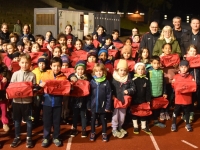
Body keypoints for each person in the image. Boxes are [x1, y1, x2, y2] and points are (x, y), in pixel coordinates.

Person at [10, 53, 36, 148]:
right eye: (22, 62)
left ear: (30, 64)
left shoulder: (33, 75)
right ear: (19, 63)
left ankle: (29, 137)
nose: (24, 64)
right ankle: (17, 137)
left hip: (28, 102)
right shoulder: (15, 74)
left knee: (29, 120)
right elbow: (11, 87)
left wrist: (36, 89)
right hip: (16, 102)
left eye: (26, 63)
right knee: (16, 121)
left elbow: (33, 89)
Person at [39, 57, 66, 147]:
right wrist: (41, 84)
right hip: (47, 102)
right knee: (47, 121)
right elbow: (40, 84)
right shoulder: (46, 75)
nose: (56, 68)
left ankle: (56, 137)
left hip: (58, 103)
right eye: (54, 66)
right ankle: (46, 137)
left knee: (56, 121)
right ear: (50, 66)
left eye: (58, 66)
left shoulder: (63, 77)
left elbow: (65, 89)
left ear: (61, 67)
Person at [111, 59, 136, 138]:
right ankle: (114, 128)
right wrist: (112, 95)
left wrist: (128, 91)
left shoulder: (129, 80)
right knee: (115, 115)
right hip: (115, 100)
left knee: (122, 115)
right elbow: (110, 89)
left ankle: (120, 126)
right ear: (117, 70)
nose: (123, 72)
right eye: (121, 70)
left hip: (124, 102)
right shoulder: (113, 79)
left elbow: (133, 89)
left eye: (124, 70)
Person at [88, 63, 112, 142]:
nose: (98, 73)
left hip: (103, 106)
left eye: (100, 71)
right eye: (97, 71)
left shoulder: (106, 82)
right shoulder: (92, 82)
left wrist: (108, 107)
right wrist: (89, 105)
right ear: (94, 72)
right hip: (94, 105)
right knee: (93, 119)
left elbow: (109, 95)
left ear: (104, 72)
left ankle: (104, 133)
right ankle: (92, 132)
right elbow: (89, 94)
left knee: (103, 120)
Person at [171, 60, 195, 132]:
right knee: (176, 111)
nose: (183, 69)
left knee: (187, 111)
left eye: (185, 67)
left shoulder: (191, 77)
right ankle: (173, 123)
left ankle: (187, 123)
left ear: (188, 67)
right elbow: (173, 87)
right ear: (179, 67)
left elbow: (193, 87)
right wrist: (173, 83)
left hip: (187, 98)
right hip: (179, 97)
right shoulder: (176, 76)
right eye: (182, 67)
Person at [68, 60, 88, 138]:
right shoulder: (73, 76)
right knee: (75, 115)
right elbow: (69, 78)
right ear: (75, 69)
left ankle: (84, 129)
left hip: (83, 100)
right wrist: (71, 77)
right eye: (78, 69)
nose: (80, 71)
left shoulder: (87, 77)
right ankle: (74, 128)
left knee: (83, 115)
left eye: (82, 69)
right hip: (74, 100)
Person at [131, 62, 151, 134]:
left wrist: (148, 99)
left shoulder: (146, 80)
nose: (140, 71)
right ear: (136, 70)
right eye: (139, 69)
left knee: (143, 113)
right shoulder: (133, 80)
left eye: (142, 69)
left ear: (144, 70)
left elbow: (148, 90)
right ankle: (135, 126)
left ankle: (143, 126)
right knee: (135, 113)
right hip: (135, 100)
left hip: (143, 100)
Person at [148, 56, 167, 128]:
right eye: (154, 63)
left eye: (158, 63)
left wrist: (164, 92)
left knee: (157, 108)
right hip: (151, 94)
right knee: (150, 108)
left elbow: (164, 83)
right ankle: (147, 121)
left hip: (159, 93)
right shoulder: (149, 71)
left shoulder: (161, 71)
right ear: (151, 63)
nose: (156, 65)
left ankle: (156, 121)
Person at [0, 53, 10, 132]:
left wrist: (5, 78)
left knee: (3, 107)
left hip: (2, 91)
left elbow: (7, 75)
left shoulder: (4, 67)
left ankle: (5, 122)